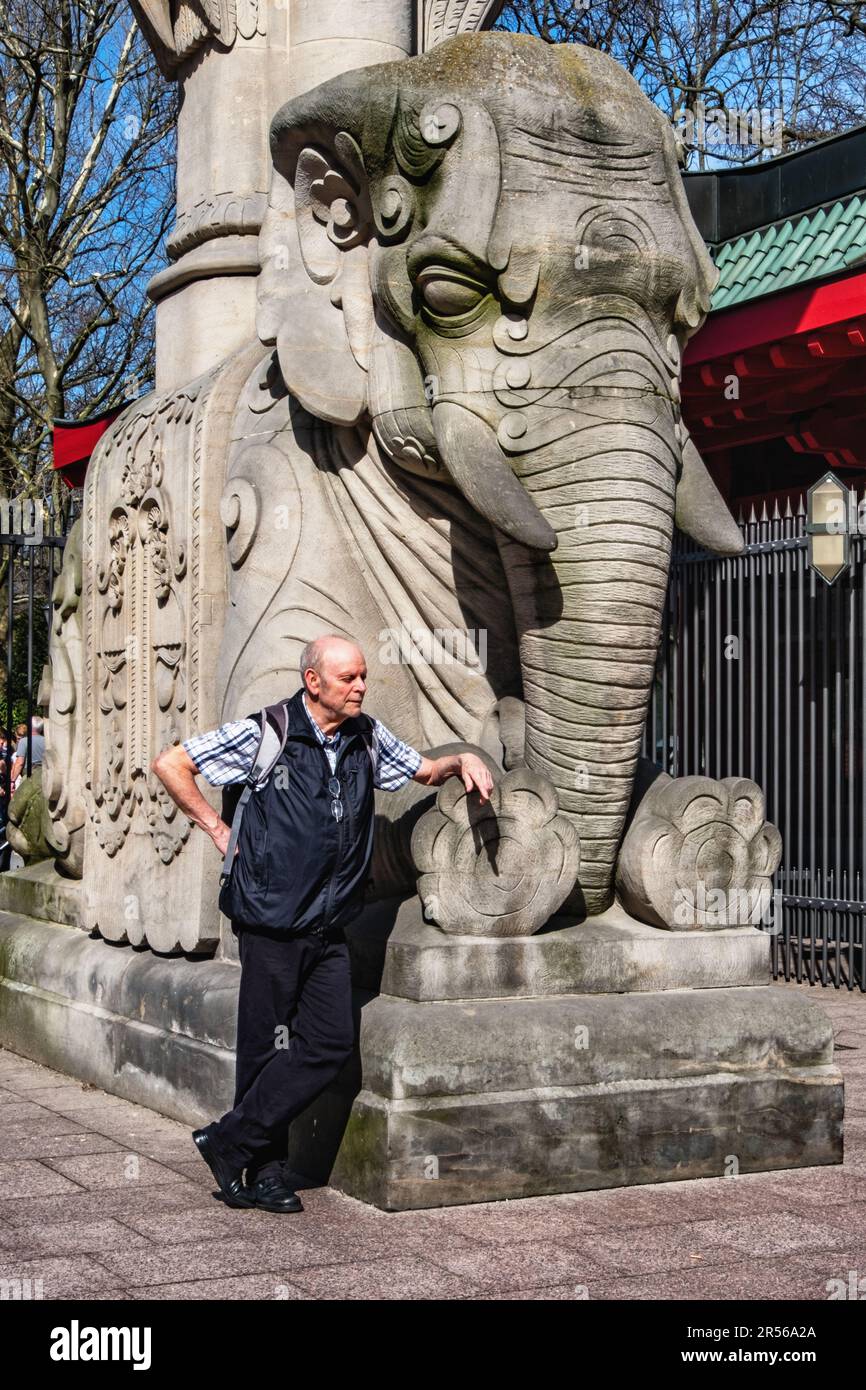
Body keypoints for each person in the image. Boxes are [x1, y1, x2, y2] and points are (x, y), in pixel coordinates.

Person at [152, 633, 493, 1214]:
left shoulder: (366, 738)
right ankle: (263, 1173)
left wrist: (462, 759)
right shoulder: (267, 733)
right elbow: (172, 763)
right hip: (271, 920)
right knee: (265, 1048)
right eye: (348, 678)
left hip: (329, 921)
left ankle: (229, 1140)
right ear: (313, 681)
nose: (360, 686)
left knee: (329, 1043)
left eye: (362, 676)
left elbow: (425, 771)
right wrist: (217, 829)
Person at [11, 716, 45, 788]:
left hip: (29, 777)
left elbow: (20, 763)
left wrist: (13, 780)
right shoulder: (47, 741)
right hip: (45, 777)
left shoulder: (24, 741)